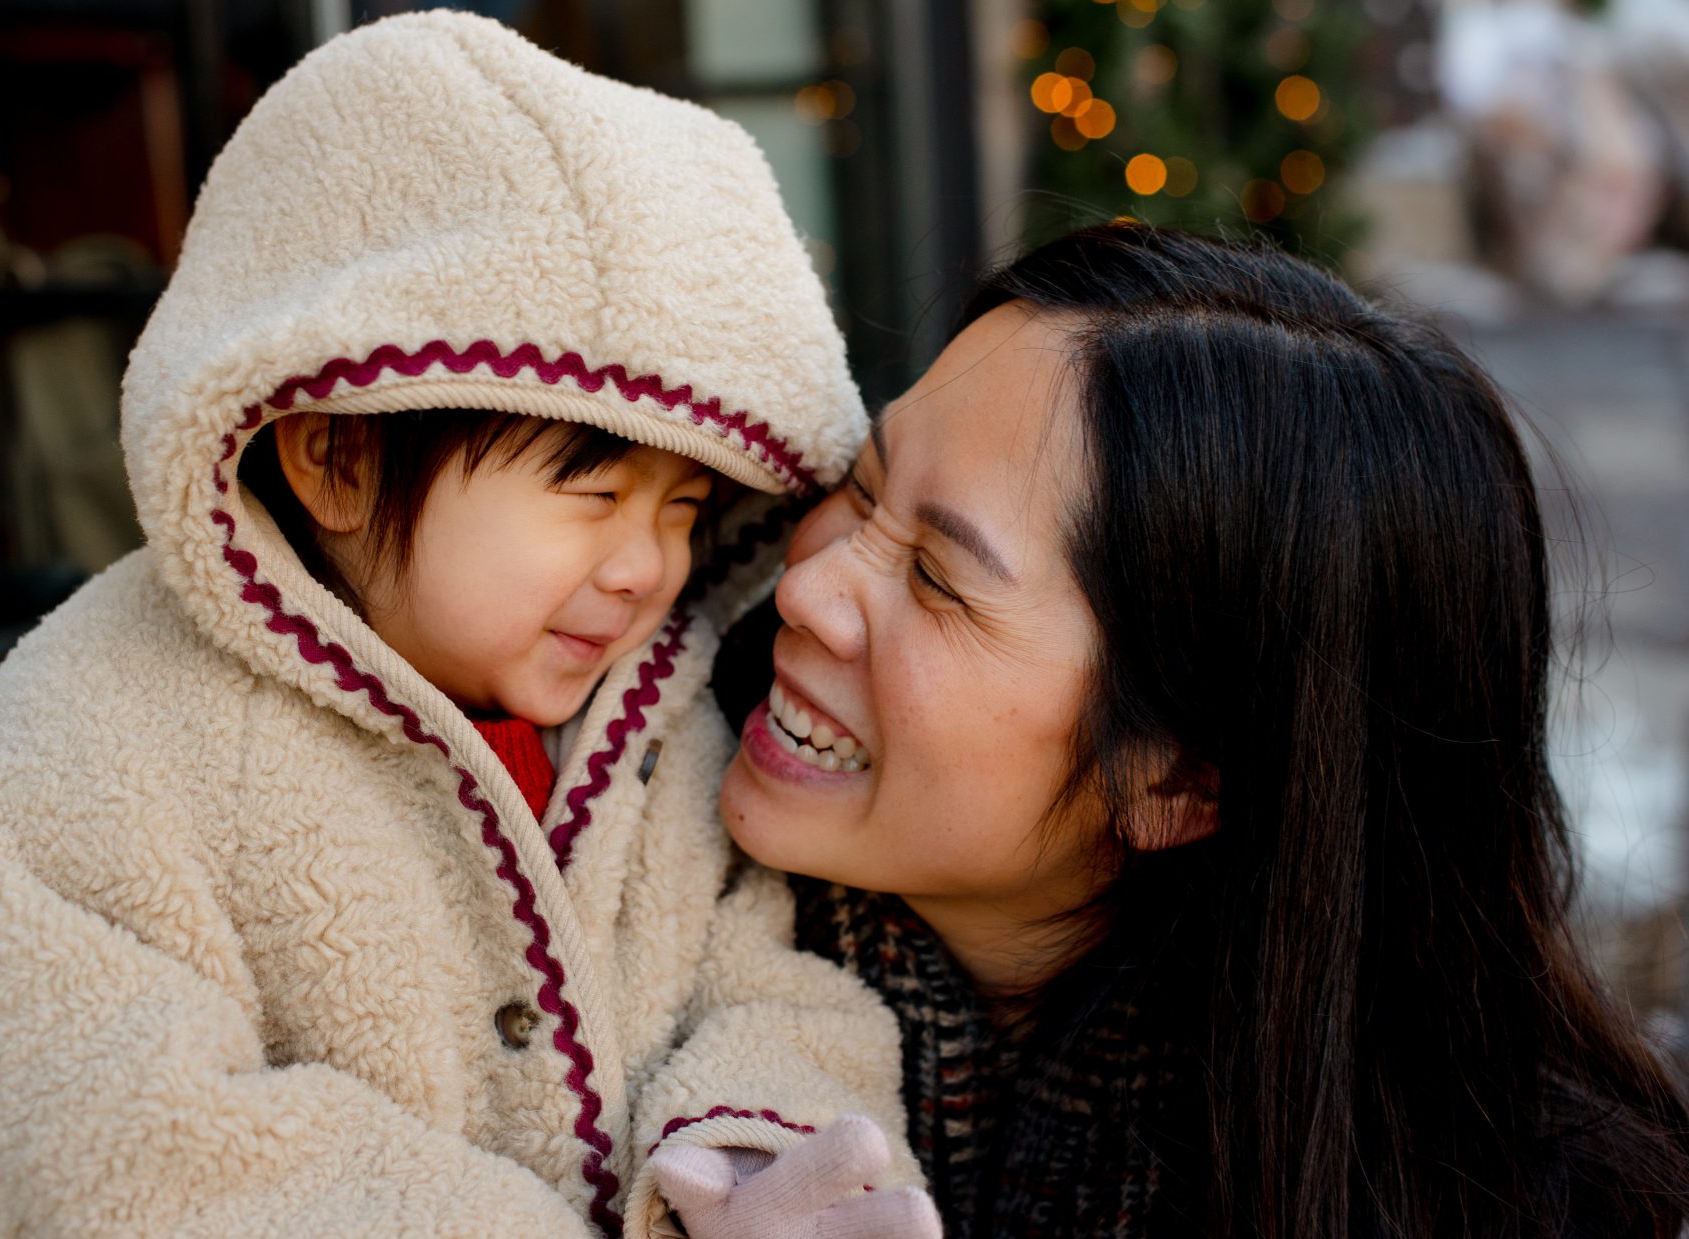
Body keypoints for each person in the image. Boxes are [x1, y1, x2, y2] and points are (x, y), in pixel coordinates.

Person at [0, 11, 936, 1238]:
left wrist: (749, 1157)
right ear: (335, 458)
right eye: (587, 496)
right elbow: (78, 1137)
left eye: (686, 508)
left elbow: (765, 981)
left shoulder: (666, 729)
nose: (645, 565)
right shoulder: (97, 741)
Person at [716, 223, 1689, 1237]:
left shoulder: (1502, 1207)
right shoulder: (608, 946)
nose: (809, 585)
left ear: (1177, 780)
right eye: (863, 488)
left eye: (934, 579)